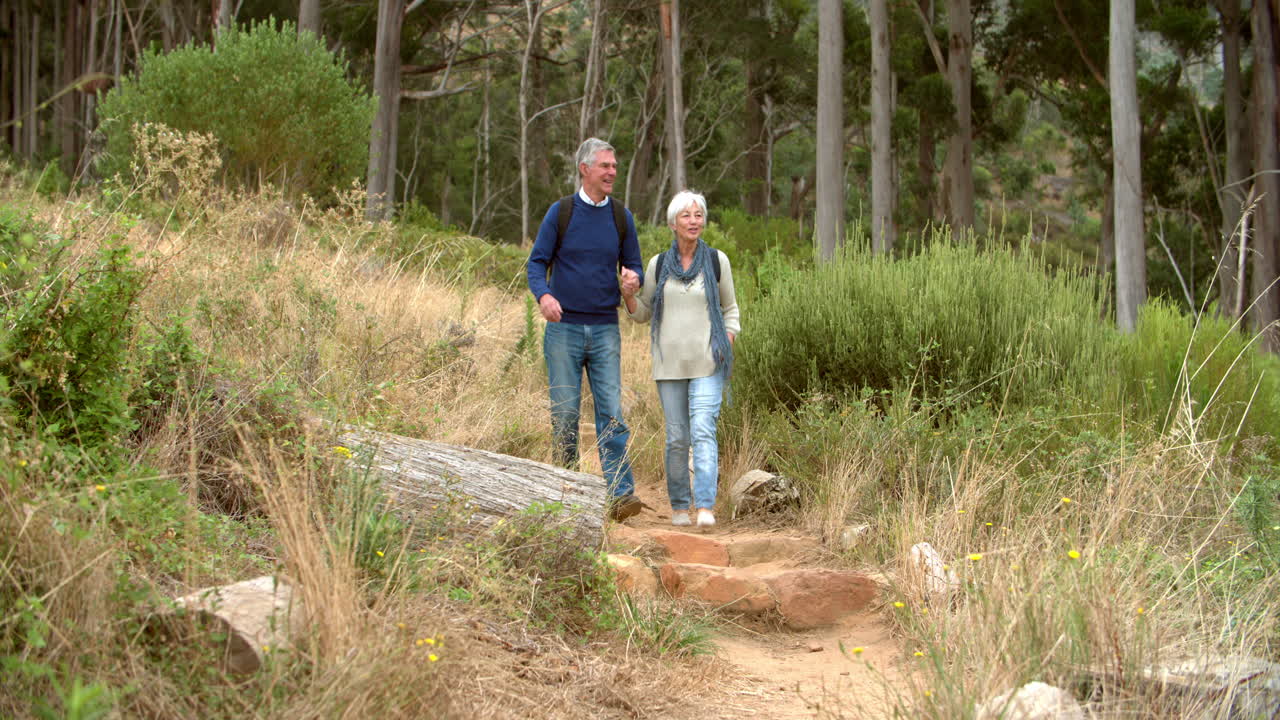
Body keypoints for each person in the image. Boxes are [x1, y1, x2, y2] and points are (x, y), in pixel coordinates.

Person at [526, 138, 645, 522]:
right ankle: (568, 493)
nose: (612, 172)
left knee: (612, 412)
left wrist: (632, 283)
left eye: (614, 166)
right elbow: (535, 264)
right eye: (605, 166)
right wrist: (544, 296)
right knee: (564, 414)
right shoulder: (560, 213)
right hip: (564, 331)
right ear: (585, 169)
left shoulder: (621, 217)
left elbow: (634, 266)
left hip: (606, 329)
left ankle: (620, 496)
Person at [622, 190, 739, 528]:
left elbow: (730, 310)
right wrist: (628, 296)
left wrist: (726, 340)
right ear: (673, 223)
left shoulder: (718, 261)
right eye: (687, 216)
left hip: (708, 361)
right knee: (677, 437)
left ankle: (704, 506)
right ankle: (679, 506)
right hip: (669, 364)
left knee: (703, 430)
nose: (694, 221)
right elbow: (643, 313)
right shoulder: (659, 264)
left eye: (698, 215)